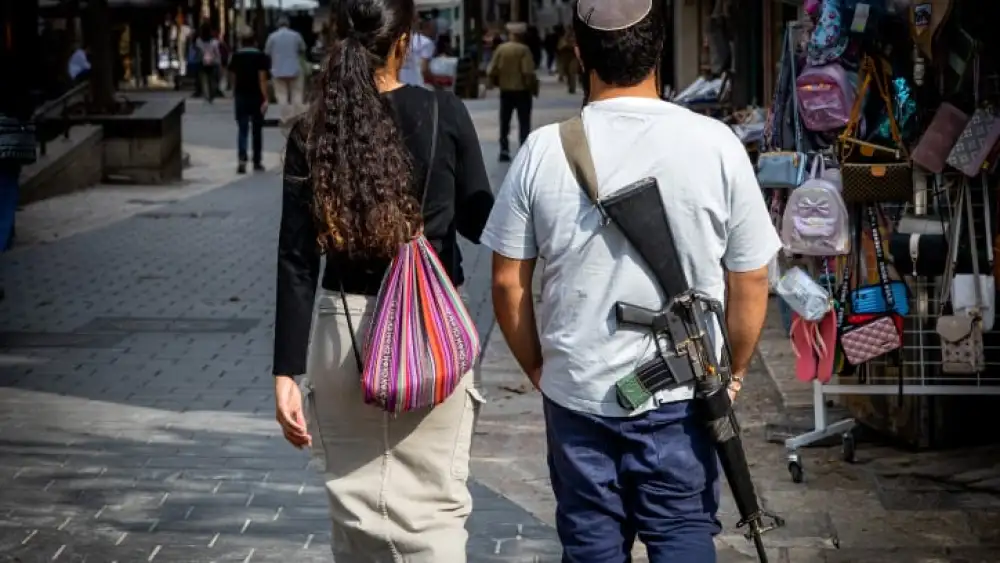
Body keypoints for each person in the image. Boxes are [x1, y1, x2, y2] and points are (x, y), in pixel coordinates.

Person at [480, 0, 781, 561]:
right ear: (659, 49)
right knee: (684, 534)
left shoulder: (543, 151)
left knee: (590, 544)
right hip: (683, 399)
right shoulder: (717, 144)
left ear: (578, 52)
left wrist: (540, 369)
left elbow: (505, 284)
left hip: (578, 397)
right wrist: (734, 372)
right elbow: (751, 278)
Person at [272, 0, 494, 560]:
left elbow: (296, 259)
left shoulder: (313, 130)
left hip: (341, 333)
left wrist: (285, 372)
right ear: (404, 42)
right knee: (436, 509)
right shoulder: (443, 111)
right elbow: (479, 222)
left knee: (354, 516)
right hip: (430, 328)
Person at [486, 22, 537, 163]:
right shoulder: (524, 50)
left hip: (506, 90)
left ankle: (504, 149)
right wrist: (532, 86)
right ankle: (523, 149)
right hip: (522, 91)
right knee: (524, 122)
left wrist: (494, 82)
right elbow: (527, 71)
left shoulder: (501, 49)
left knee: (505, 121)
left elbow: (492, 69)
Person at [228, 31, 269, 174]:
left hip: (241, 95)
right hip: (256, 96)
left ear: (242, 42)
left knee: (242, 128)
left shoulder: (236, 56)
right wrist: (265, 97)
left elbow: (233, 76)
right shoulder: (260, 56)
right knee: (257, 129)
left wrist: (234, 91)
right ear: (255, 42)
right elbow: (262, 78)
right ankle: (257, 161)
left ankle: (242, 158)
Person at [265, 16, 307, 119]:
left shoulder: (272, 37)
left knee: (281, 95)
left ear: (277, 25)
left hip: (277, 70)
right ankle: (297, 116)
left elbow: (267, 52)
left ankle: (286, 117)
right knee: (297, 93)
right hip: (295, 68)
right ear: (288, 24)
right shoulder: (296, 35)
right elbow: (303, 48)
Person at [398, 17, 435, 88]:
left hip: (396, 84)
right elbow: (424, 69)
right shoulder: (426, 43)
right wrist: (436, 84)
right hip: (415, 83)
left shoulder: (395, 41)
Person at [194, 23, 222, 102]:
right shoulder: (214, 42)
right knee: (212, 78)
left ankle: (205, 92)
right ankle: (212, 92)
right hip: (213, 62)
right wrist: (218, 61)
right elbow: (217, 53)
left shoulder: (198, 41)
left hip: (202, 62)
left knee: (203, 78)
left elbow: (198, 52)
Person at [556, 25, 579, 94]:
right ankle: (570, 85)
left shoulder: (576, 38)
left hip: (574, 57)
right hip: (565, 57)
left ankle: (572, 87)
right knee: (567, 72)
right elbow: (559, 48)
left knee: (572, 72)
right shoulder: (563, 38)